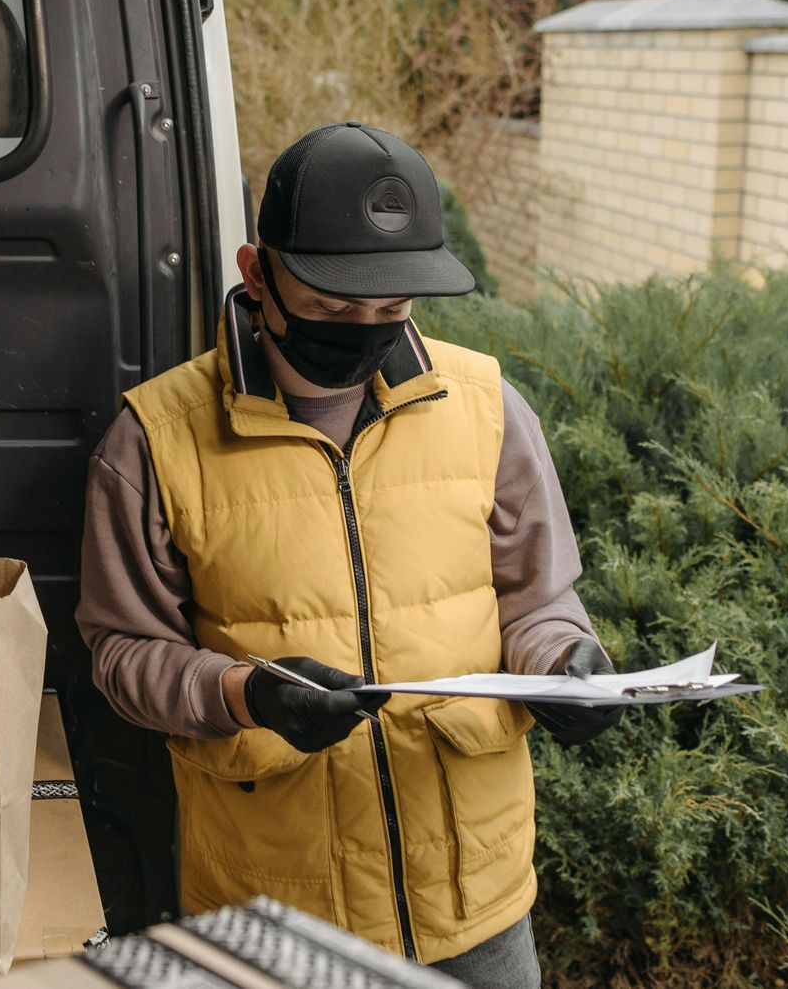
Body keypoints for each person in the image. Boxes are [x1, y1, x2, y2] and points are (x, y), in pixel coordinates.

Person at [77, 121, 623, 989]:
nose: (363, 330)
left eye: (393, 309)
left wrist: (566, 662)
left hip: (474, 904)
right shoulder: (152, 440)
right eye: (333, 306)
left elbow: (537, 602)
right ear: (257, 273)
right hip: (274, 911)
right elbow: (121, 656)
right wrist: (243, 692)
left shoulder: (490, 408)